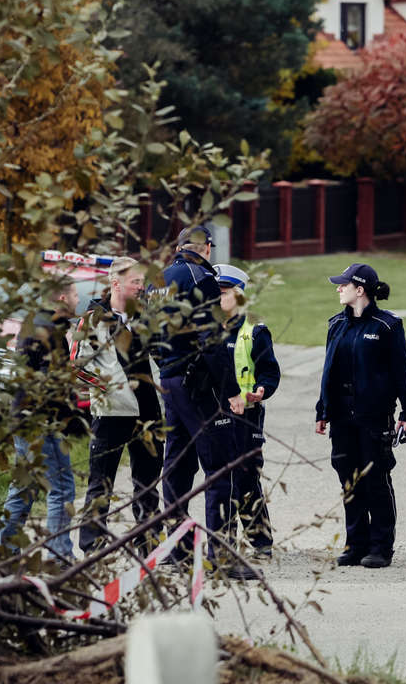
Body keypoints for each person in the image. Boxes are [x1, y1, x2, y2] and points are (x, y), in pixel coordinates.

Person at [155, 225, 246, 577]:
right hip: (198, 383)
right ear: (206, 248)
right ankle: (220, 557)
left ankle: (176, 550)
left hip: (169, 380)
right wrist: (232, 390)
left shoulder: (158, 279)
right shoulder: (202, 277)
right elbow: (211, 337)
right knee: (219, 469)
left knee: (176, 465)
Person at [314, 263, 406, 569]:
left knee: (375, 478)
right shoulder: (336, 324)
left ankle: (380, 546)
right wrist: (323, 410)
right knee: (348, 479)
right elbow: (328, 371)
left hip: (374, 416)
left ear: (360, 290)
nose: (338, 288)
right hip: (342, 416)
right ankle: (355, 543)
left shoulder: (387, 326)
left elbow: (402, 372)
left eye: (343, 284)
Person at [73, 257, 164, 555]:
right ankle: (92, 545)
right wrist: (108, 386)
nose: (141, 287)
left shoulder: (145, 316)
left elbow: (164, 354)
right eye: (135, 282)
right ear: (116, 283)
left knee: (148, 481)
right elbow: (76, 364)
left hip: (148, 411)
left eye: (142, 282)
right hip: (111, 412)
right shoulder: (92, 319)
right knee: (101, 484)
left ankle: (148, 542)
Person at [0, 275, 85, 562]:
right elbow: (51, 385)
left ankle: (6, 553)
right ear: (62, 298)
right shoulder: (50, 331)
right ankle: (59, 558)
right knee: (61, 488)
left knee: (24, 487)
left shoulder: (34, 324)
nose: (77, 300)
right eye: (74, 295)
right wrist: (71, 417)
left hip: (22, 420)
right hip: (41, 423)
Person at [214, 263, 280, 560]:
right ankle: (222, 541)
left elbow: (269, 372)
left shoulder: (256, 331)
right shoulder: (205, 329)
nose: (216, 299)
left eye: (223, 293)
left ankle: (261, 541)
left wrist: (262, 391)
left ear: (239, 296)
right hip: (213, 416)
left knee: (246, 477)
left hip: (246, 416)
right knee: (218, 480)